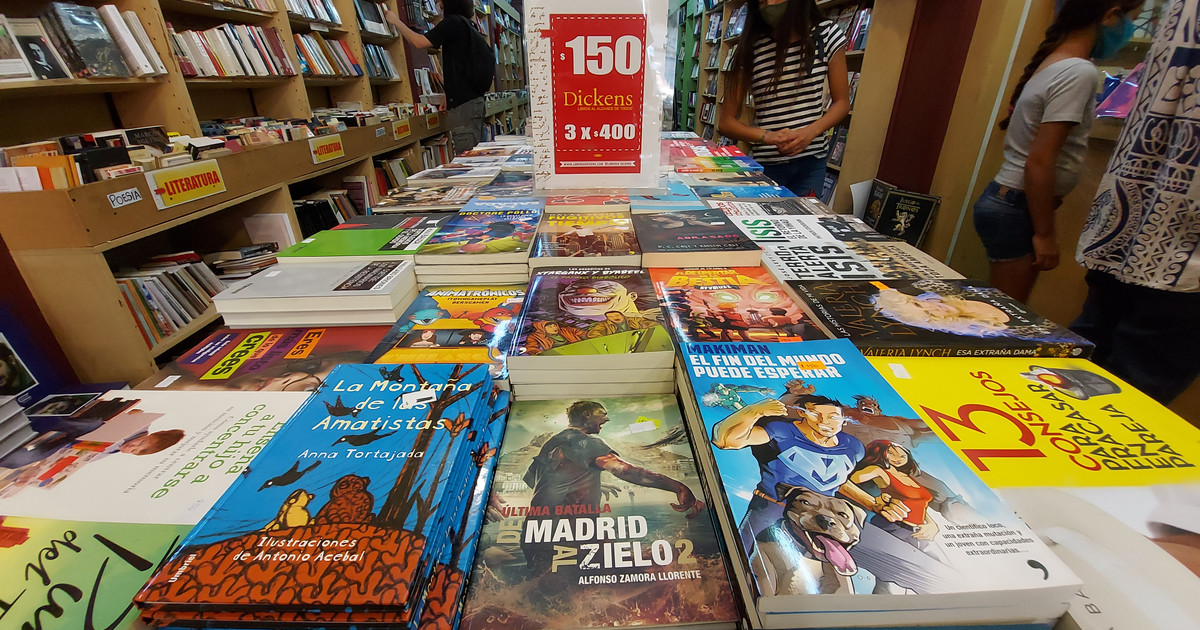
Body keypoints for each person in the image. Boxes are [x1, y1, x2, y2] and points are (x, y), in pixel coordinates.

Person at [1070, 0, 1200, 406]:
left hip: (1129, 225)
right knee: (1128, 400)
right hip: (1183, 253)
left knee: (1080, 374)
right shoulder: (1077, 71)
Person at [972, 0, 1143, 302]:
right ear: (1109, 16)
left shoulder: (1057, 61)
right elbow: (1040, 161)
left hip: (1009, 200)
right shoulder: (1078, 71)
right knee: (1006, 314)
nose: (1129, 30)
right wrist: (1045, 234)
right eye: (1131, 19)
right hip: (1017, 204)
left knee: (1002, 309)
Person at [520, 401, 704, 573]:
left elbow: (535, 481)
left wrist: (585, 484)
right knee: (644, 576)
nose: (606, 419)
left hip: (534, 535)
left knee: (544, 589)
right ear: (586, 415)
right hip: (570, 537)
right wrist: (677, 487)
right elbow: (624, 470)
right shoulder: (587, 442)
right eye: (602, 414)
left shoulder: (551, 443)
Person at [718, 0, 851, 197]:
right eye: (761, 1)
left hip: (812, 162)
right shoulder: (752, 45)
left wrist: (810, 132)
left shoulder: (826, 34)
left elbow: (842, 102)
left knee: (806, 215)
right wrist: (767, 136)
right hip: (767, 163)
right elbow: (726, 122)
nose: (769, 4)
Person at [383, 0, 494, 152]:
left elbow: (419, 42)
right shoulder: (467, 24)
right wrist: (449, 95)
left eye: (438, 1)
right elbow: (461, 65)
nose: (437, 4)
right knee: (475, 153)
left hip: (463, 106)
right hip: (473, 102)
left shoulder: (452, 23)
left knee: (467, 156)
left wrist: (396, 22)